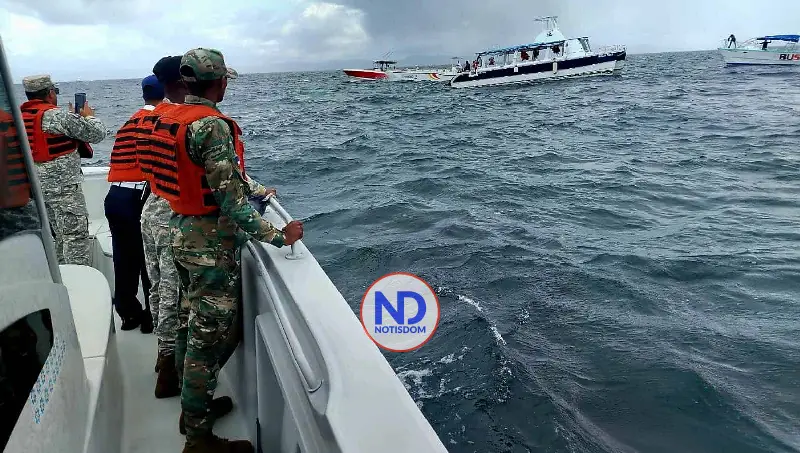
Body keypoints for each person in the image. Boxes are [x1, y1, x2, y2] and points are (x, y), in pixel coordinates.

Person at [144, 48, 302, 453]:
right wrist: (281, 236)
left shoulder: (170, 115)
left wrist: (257, 189)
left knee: (188, 324)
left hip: (180, 232)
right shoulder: (211, 126)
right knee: (205, 343)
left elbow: (220, 176)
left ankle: (192, 411)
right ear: (220, 83)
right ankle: (198, 441)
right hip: (209, 247)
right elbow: (231, 205)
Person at [19, 75, 106, 265]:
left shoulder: (19, 117)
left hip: (37, 190)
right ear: (50, 93)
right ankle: (78, 278)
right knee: (75, 238)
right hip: (64, 190)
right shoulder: (58, 116)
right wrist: (88, 116)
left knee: (58, 237)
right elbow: (98, 133)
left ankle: (62, 275)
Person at [105, 75, 163, 332]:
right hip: (140, 197)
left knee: (124, 258)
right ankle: (151, 317)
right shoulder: (161, 121)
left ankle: (128, 314)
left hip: (115, 197)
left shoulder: (129, 122)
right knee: (148, 258)